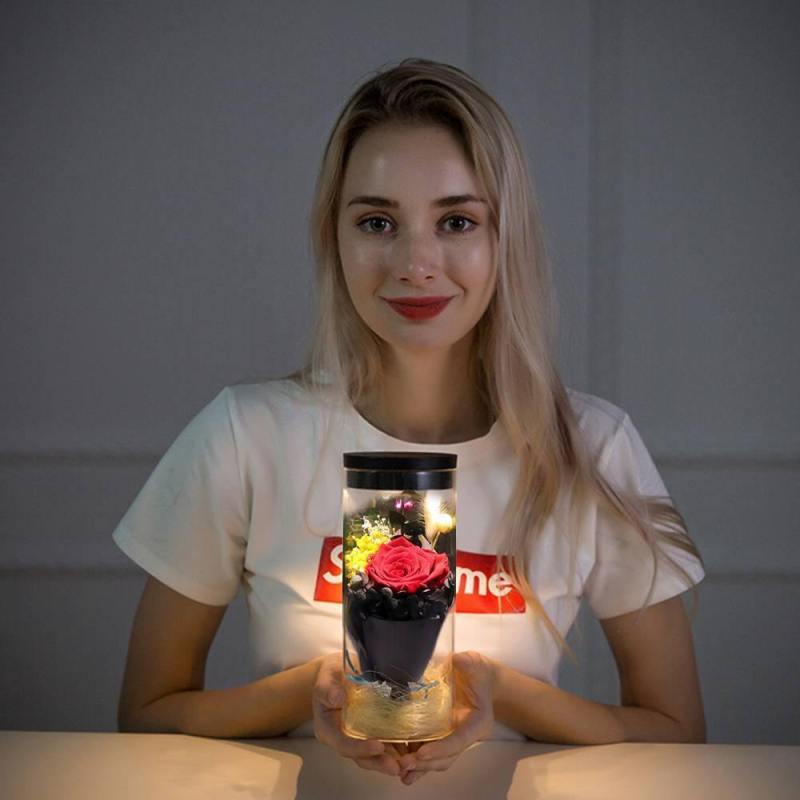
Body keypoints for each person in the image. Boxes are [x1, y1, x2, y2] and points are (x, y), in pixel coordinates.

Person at [113, 58, 706, 785]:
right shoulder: (245, 436)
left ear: (506, 238)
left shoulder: (594, 447)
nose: (416, 263)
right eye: (377, 222)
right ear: (333, 237)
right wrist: (314, 691)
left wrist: (498, 692)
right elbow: (147, 713)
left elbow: (677, 730)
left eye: (456, 221)